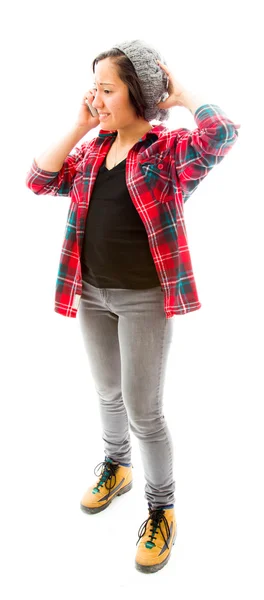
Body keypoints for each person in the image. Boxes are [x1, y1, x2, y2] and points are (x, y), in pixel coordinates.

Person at [25, 39, 240, 574]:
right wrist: (80, 123)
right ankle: (115, 467)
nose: (95, 98)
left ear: (137, 94)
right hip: (91, 291)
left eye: (106, 89)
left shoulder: (167, 153)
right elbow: (38, 180)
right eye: (92, 87)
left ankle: (161, 508)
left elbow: (223, 134)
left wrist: (180, 91)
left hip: (144, 300)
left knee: (145, 411)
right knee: (107, 391)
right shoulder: (94, 150)